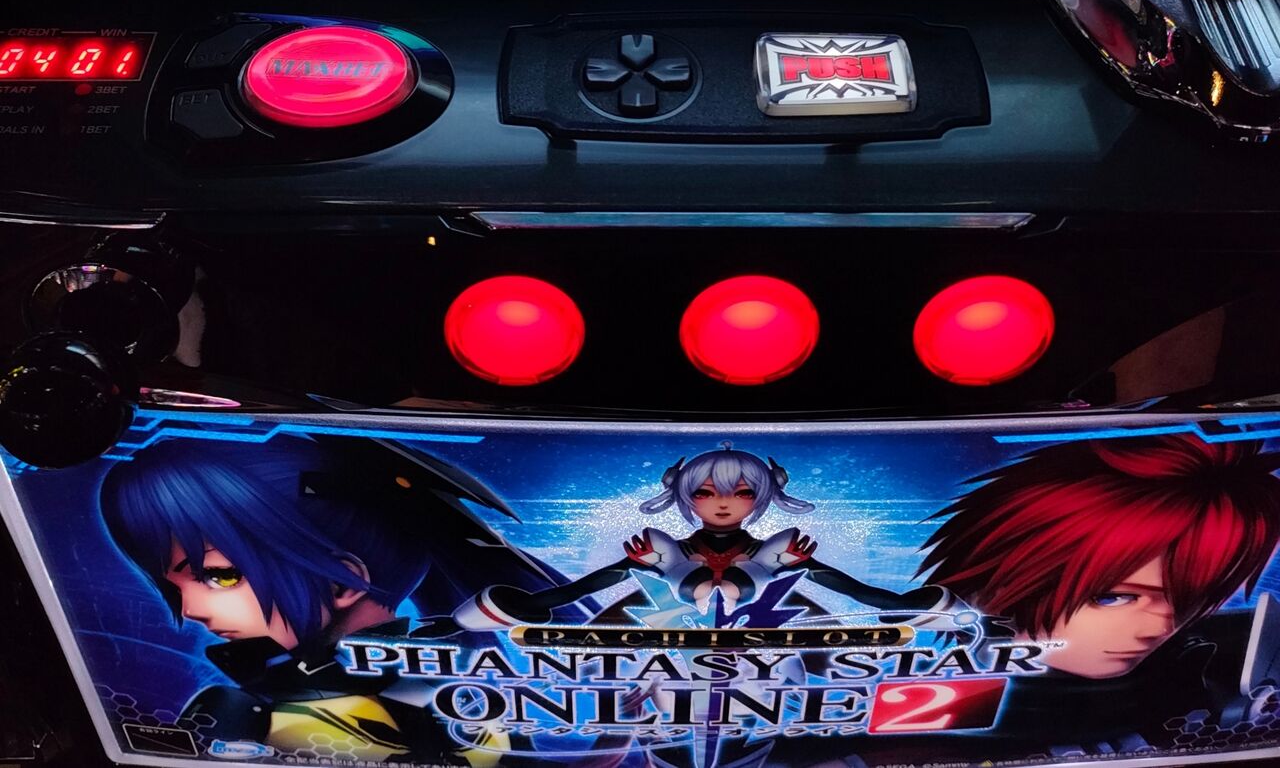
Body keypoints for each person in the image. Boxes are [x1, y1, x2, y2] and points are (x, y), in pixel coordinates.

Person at [100, 434, 582, 765]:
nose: (190, 611)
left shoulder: (473, 702)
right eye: (174, 587)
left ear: (344, 582)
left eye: (220, 577)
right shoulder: (240, 711)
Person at [916, 432, 1280, 751]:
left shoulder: (1206, 672)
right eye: (1111, 597)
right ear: (996, 586)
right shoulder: (940, 720)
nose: (1159, 628)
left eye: (1192, 597)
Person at [423, 442, 953, 637]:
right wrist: (506, 612)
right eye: (705, 492)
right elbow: (579, 590)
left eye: (741, 492)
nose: (722, 503)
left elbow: (860, 592)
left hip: (758, 629)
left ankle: (727, 586)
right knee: (662, 554)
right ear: (686, 497)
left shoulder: (778, 546)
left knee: (779, 553)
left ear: (760, 498)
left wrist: (917, 610)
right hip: (673, 618)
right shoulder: (662, 545)